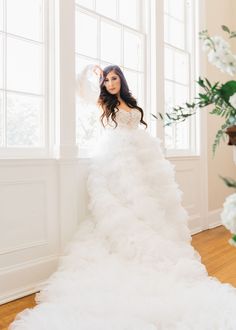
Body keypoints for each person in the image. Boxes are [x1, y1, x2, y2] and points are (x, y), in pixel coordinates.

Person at [10, 64, 236, 330]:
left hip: (142, 162)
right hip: (116, 163)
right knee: (123, 209)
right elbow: (80, 91)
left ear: (121, 81)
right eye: (107, 80)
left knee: (149, 206)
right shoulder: (104, 105)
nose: (111, 83)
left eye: (114, 78)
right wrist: (92, 74)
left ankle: (156, 253)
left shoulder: (132, 105)